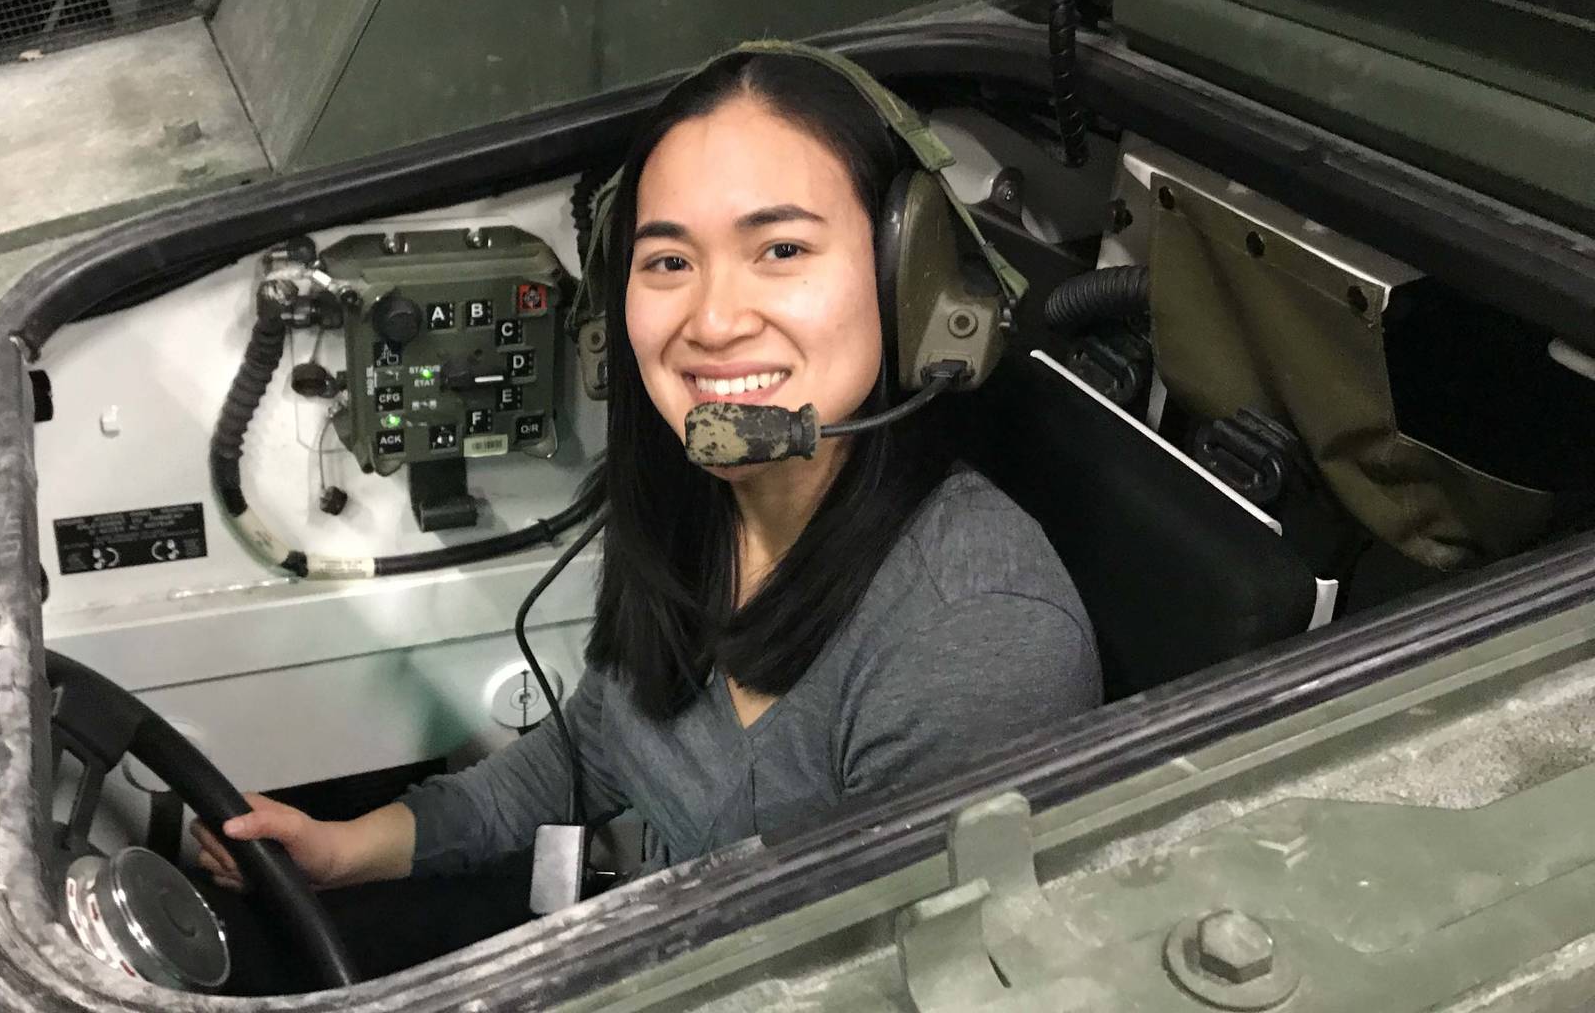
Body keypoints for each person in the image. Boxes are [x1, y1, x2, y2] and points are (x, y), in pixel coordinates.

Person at [194, 47, 1099, 920]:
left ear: (909, 279)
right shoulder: (700, 503)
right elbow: (598, 745)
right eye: (668, 261)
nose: (711, 319)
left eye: (781, 249)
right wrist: (347, 848)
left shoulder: (976, 639)